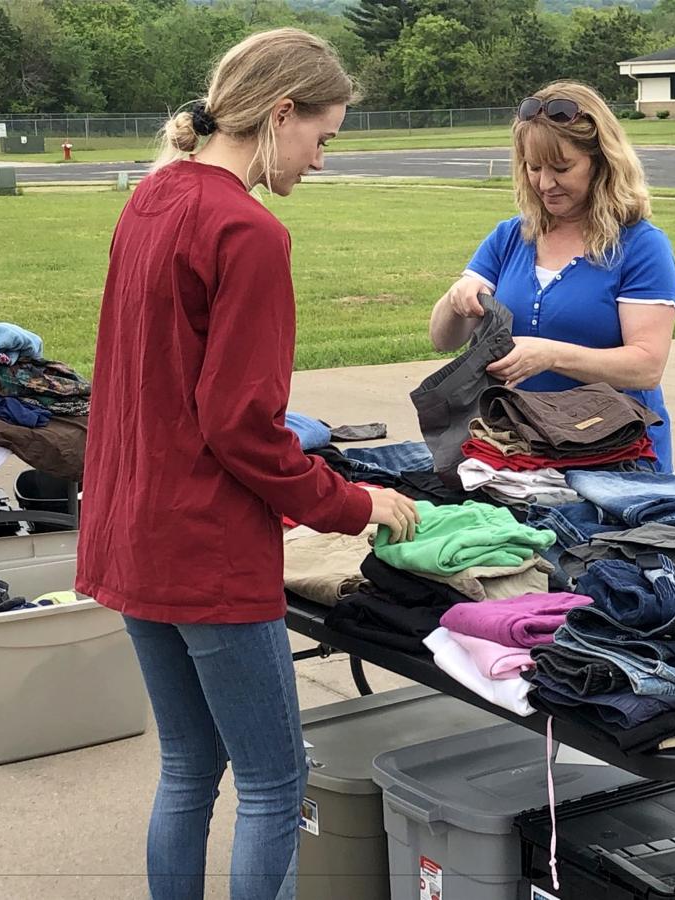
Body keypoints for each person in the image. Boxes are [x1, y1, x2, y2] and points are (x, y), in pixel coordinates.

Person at [75, 28, 419, 900]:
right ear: (280, 113)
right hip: (206, 549)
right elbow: (242, 427)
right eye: (324, 136)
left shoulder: (151, 198)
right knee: (273, 782)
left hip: (130, 534)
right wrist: (354, 503)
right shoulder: (248, 228)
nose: (322, 159)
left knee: (188, 769)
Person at [429, 81, 675, 472]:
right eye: (534, 167)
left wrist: (549, 355)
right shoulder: (511, 236)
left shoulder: (641, 246)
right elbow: (443, 339)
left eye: (562, 168)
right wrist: (457, 297)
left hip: (614, 458)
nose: (545, 183)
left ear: (601, 162)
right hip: (523, 453)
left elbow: (646, 367)